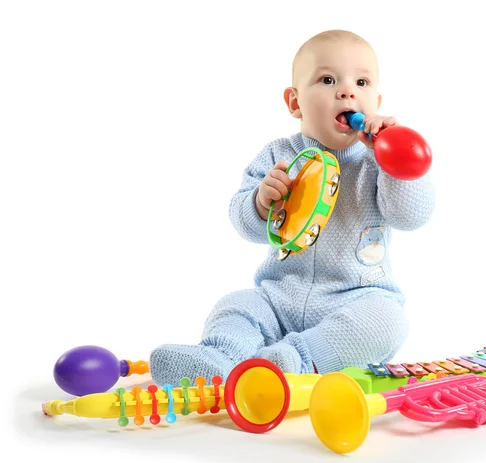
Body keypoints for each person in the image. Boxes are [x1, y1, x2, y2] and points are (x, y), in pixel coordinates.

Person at [149, 29, 435, 386]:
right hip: (279, 297)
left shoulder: (377, 163)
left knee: (389, 322)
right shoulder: (278, 156)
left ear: (376, 102)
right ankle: (218, 360)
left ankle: (291, 363)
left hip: (356, 299)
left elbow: (411, 217)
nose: (347, 90)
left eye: (362, 82)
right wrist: (260, 201)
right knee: (237, 304)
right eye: (328, 79)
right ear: (295, 103)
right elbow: (245, 224)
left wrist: (398, 160)